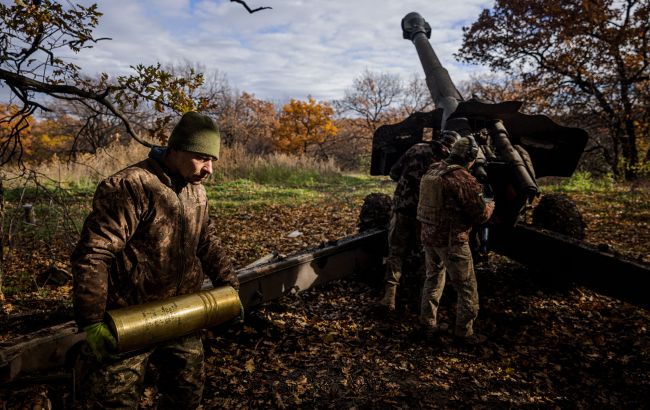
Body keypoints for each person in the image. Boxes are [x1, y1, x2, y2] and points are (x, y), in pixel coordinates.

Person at [71, 111, 239, 409]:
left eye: (212, 159)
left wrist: (230, 285)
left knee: (185, 397)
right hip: (129, 321)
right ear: (175, 150)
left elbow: (207, 241)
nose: (209, 169)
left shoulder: (196, 191)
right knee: (112, 403)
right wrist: (93, 321)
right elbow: (94, 254)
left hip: (183, 314)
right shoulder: (130, 186)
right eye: (201, 157)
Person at [417, 135, 494, 343]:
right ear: (469, 157)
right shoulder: (463, 178)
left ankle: (427, 324)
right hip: (452, 241)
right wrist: (489, 203)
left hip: (429, 236)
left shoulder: (434, 169)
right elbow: (480, 216)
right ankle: (464, 333)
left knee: (433, 279)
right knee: (467, 288)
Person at [378, 131, 460, 311]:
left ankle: (389, 297)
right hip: (425, 215)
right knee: (427, 255)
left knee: (396, 252)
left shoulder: (416, 148)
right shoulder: (447, 164)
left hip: (402, 208)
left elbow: (393, 173)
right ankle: (421, 299)